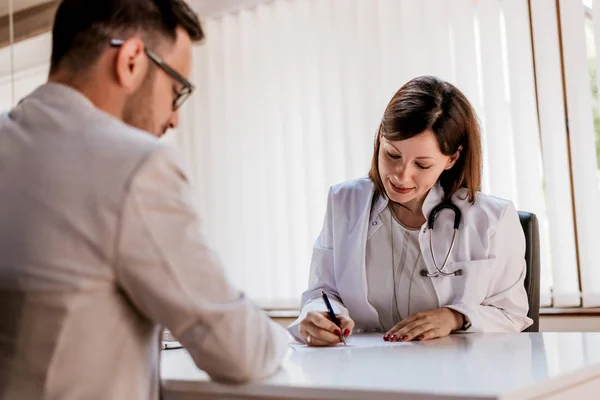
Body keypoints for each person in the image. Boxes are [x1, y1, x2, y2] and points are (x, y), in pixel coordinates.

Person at [0, 1, 288, 398]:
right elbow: (242, 351)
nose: (174, 118)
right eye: (176, 91)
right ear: (132, 60)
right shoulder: (134, 165)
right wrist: (285, 335)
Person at [287, 75, 533, 347]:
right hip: (362, 369)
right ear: (381, 137)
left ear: (451, 158)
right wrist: (318, 316)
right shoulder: (344, 201)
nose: (401, 176)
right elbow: (322, 292)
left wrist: (454, 317)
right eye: (392, 155)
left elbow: (512, 315)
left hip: (453, 374)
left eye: (422, 165)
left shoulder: (492, 219)